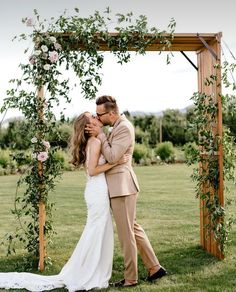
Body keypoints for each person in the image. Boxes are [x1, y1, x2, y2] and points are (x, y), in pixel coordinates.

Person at [0, 111, 127, 291]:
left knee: (98, 230)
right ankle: (87, 272)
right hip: (97, 190)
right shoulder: (95, 141)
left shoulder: (95, 140)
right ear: (88, 125)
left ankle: (91, 269)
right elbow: (92, 170)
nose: (96, 117)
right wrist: (115, 163)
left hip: (96, 190)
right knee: (96, 230)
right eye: (92, 116)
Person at [85, 95, 167, 287]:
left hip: (122, 187)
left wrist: (102, 136)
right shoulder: (115, 127)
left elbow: (113, 156)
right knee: (133, 229)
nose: (97, 119)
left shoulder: (124, 127)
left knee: (126, 234)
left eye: (99, 114)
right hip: (119, 186)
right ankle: (155, 268)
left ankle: (131, 278)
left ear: (111, 113)